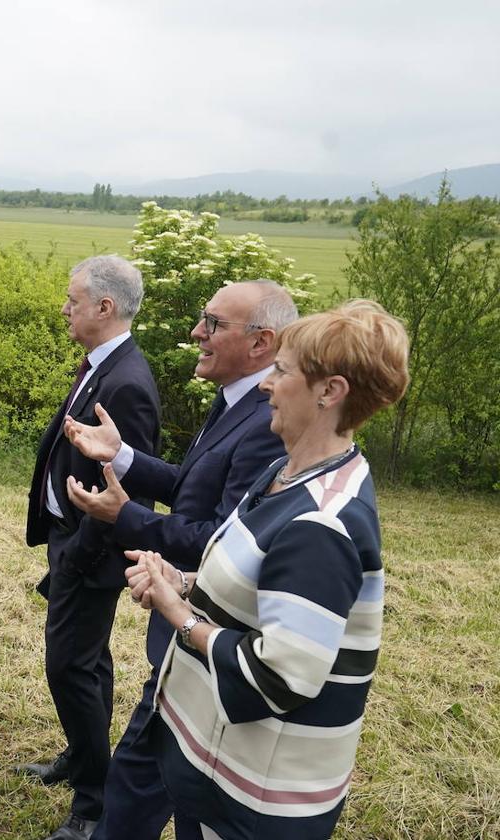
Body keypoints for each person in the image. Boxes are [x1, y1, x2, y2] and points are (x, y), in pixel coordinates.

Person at [124, 299, 409, 840]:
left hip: (256, 800)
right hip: (214, 765)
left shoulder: (322, 524)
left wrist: (178, 614)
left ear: (330, 391)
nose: (265, 386)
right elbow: (255, 590)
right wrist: (179, 580)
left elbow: (279, 677)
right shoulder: (284, 471)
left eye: (281, 371)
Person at [62, 280, 297, 840]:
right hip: (186, 644)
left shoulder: (267, 422)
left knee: (155, 782)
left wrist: (125, 518)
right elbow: (192, 489)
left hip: (209, 637)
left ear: (261, 343)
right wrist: (120, 455)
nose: (197, 332)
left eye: (213, 323)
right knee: (155, 779)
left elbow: (222, 538)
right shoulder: (233, 402)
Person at [19, 255, 161, 840]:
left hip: (90, 550)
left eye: (73, 300)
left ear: (105, 307)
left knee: (70, 667)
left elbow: (124, 490)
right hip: (72, 540)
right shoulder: (104, 365)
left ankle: (93, 801)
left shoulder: (126, 383)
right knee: (89, 662)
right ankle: (85, 759)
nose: (64, 308)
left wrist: (78, 553)